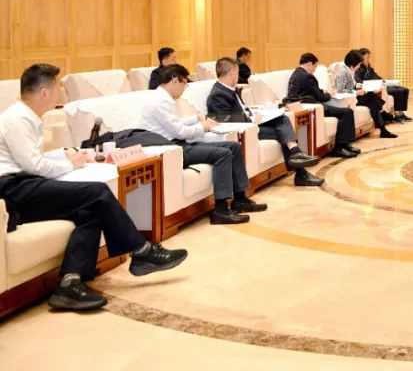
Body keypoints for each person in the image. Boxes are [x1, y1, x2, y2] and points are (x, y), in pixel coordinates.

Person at [0, 64, 188, 311]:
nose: (61, 91)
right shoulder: (17, 119)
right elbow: (34, 165)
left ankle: (69, 284)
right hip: (13, 191)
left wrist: (68, 156)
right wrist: (71, 164)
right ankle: (142, 251)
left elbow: (32, 159)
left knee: (90, 210)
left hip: (24, 184)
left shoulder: (28, 117)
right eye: (58, 87)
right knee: (97, 192)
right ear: (44, 92)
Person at [140, 64, 264, 225]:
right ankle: (220, 209)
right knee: (223, 154)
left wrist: (197, 119)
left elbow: (175, 124)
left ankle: (240, 198)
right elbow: (180, 132)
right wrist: (203, 127)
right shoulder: (160, 101)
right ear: (175, 80)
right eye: (185, 84)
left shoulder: (163, 98)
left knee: (233, 146)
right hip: (172, 149)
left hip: (177, 144)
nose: (184, 89)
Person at [206, 57, 323, 186]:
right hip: (245, 131)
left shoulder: (229, 89)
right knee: (283, 133)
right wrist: (250, 119)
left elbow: (242, 110)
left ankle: (296, 154)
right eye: (237, 73)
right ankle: (300, 168)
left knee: (282, 118)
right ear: (232, 72)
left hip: (252, 123)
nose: (238, 77)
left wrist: (256, 112)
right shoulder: (218, 94)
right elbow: (223, 119)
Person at [288, 53, 362, 158]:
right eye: (315, 67)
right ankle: (340, 147)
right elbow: (321, 97)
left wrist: (322, 92)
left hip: (308, 105)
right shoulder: (308, 76)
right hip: (314, 106)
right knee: (347, 112)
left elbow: (311, 91)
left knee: (345, 112)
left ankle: (345, 145)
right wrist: (329, 94)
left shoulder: (296, 73)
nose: (314, 70)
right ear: (310, 64)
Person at [338, 50, 397, 138]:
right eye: (358, 64)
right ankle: (382, 117)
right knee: (371, 98)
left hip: (353, 97)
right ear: (353, 65)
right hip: (345, 100)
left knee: (372, 100)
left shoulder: (349, 70)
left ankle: (383, 127)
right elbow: (340, 91)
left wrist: (364, 87)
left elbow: (355, 85)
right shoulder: (342, 73)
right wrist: (356, 92)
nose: (359, 66)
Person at [356, 48, 412, 122]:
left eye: (369, 57)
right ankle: (398, 114)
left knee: (404, 90)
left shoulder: (369, 68)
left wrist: (383, 81)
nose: (368, 59)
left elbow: (377, 77)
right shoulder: (359, 69)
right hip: (375, 87)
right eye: (367, 58)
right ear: (361, 58)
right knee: (399, 91)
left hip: (380, 84)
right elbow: (360, 82)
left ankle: (401, 112)